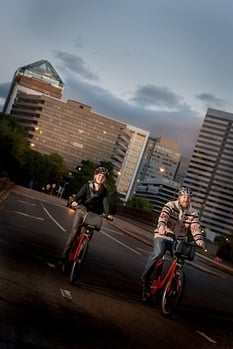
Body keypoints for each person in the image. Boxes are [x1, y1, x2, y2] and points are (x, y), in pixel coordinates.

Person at [141, 186, 205, 301]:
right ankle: (146, 278)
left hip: (179, 240)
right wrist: (161, 226)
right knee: (158, 253)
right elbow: (163, 216)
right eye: (184, 196)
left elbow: (195, 227)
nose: (186, 199)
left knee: (180, 261)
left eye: (188, 197)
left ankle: (173, 283)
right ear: (179, 197)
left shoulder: (193, 213)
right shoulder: (170, 205)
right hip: (164, 235)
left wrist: (199, 240)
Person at [59, 166, 113, 263]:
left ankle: (81, 251)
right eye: (99, 175)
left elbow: (106, 203)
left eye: (103, 177)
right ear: (95, 176)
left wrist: (108, 214)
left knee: (89, 235)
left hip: (93, 215)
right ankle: (64, 255)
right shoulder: (87, 186)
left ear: (105, 179)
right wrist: (74, 202)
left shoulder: (104, 191)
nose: (101, 178)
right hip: (81, 211)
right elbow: (78, 196)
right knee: (74, 232)